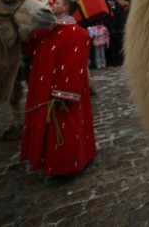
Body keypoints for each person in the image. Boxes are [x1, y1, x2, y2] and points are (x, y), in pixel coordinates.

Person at [20, 20, 96, 176]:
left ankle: (66, 164)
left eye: (59, 1)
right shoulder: (47, 30)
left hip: (59, 89)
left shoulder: (75, 31)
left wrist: (64, 89)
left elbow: (73, 60)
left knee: (65, 124)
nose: (54, 2)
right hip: (47, 84)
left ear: (67, 6)